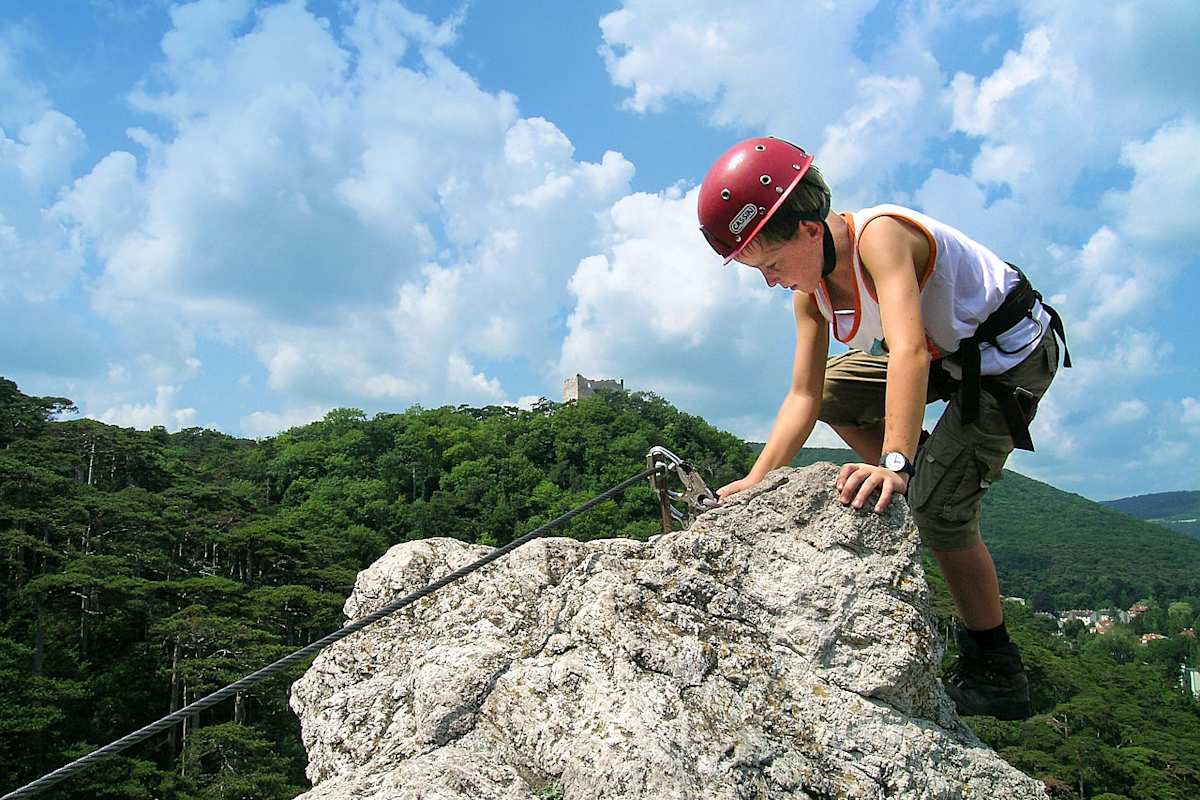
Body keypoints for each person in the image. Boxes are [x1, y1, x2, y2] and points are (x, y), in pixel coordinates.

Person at [698, 136, 1070, 721]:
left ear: (809, 229)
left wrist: (893, 463)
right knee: (839, 383)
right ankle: (933, 468)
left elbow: (908, 353)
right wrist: (758, 479)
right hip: (944, 352)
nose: (769, 281)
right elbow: (807, 392)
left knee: (940, 515)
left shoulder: (881, 237)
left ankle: (998, 669)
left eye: (769, 264)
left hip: (1005, 358)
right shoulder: (810, 295)